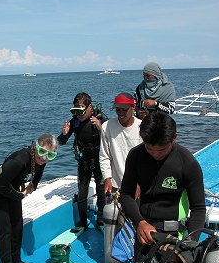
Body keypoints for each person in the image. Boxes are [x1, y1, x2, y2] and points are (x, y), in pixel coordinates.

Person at [120, 112, 206, 246]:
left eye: (161, 150)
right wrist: (139, 222)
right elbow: (126, 194)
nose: (155, 154)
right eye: (149, 149)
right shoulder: (136, 156)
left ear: (174, 138)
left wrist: (189, 244)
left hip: (175, 235)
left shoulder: (187, 163)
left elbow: (198, 208)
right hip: (145, 231)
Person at [0, 133, 58, 263]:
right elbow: (0, 185)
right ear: (34, 147)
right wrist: (18, 196)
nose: (44, 158)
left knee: (17, 226)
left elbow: (39, 170)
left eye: (50, 155)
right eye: (42, 152)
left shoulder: (39, 160)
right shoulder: (19, 161)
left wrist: (33, 185)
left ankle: (16, 261)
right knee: (6, 231)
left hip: (11, 190)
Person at [57, 92, 107, 231]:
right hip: (83, 161)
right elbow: (61, 142)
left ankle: (101, 220)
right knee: (82, 192)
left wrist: (101, 128)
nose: (78, 114)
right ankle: (82, 222)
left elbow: (112, 139)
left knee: (101, 190)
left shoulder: (100, 119)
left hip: (99, 160)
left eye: (80, 109)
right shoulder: (75, 122)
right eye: (75, 110)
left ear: (90, 107)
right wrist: (64, 134)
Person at [99, 92, 143, 196]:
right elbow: (104, 156)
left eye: (124, 109)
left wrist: (140, 182)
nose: (121, 113)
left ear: (133, 107)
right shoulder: (107, 126)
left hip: (139, 183)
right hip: (116, 184)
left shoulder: (141, 127)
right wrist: (107, 178)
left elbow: (146, 159)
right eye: (118, 109)